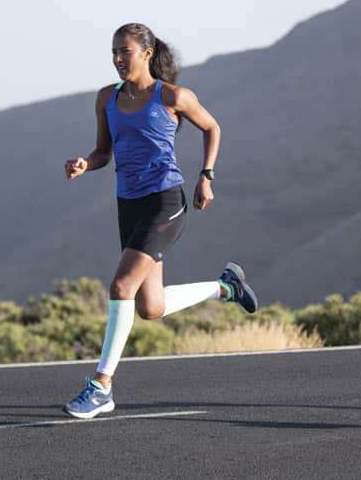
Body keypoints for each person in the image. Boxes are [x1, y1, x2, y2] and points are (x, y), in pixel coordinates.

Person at [61, 22, 258, 419]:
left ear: (147, 54)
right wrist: (86, 163)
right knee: (151, 306)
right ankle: (225, 288)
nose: (118, 59)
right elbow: (104, 152)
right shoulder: (107, 99)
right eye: (114, 52)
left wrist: (207, 175)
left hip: (165, 201)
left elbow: (212, 127)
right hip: (128, 204)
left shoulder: (172, 96)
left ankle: (101, 386)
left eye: (125, 52)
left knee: (120, 285)